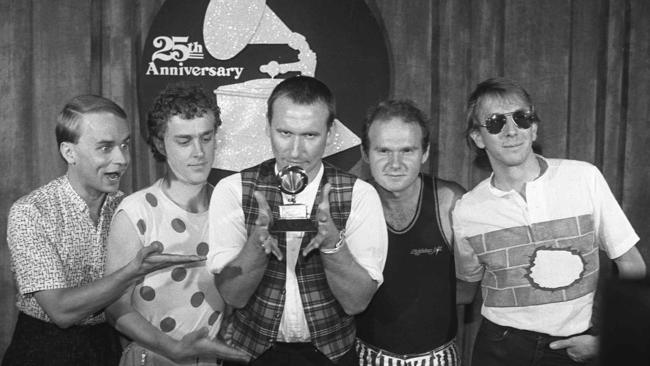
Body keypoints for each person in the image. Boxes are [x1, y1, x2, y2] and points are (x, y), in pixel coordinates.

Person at [453, 77, 647, 366]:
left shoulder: (583, 178)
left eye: (521, 118)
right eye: (495, 122)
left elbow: (632, 263)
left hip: (572, 349)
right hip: (500, 348)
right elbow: (465, 286)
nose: (511, 131)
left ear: (534, 128)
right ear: (478, 138)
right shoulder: (468, 210)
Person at [4, 95, 202, 365]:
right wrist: (132, 271)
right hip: (43, 350)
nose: (121, 159)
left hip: (106, 346)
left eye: (125, 145)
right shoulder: (32, 211)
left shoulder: (128, 207)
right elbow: (60, 310)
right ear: (69, 152)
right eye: (105, 147)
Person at [207, 75, 388, 365]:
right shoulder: (233, 190)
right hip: (251, 353)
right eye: (285, 133)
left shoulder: (359, 194)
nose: (295, 150)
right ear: (267, 128)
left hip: (332, 355)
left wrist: (332, 244)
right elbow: (233, 296)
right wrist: (256, 243)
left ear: (330, 134)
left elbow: (357, 302)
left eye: (310, 136)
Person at [105, 85, 249, 365]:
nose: (199, 152)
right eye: (184, 141)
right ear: (160, 144)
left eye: (206, 138)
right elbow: (116, 308)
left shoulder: (232, 208)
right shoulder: (137, 211)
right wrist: (173, 348)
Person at [355, 100, 475, 366]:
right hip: (364, 354)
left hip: (438, 356)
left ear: (424, 153)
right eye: (383, 150)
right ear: (365, 153)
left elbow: (468, 290)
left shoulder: (450, 201)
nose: (395, 163)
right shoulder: (350, 204)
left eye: (407, 150)